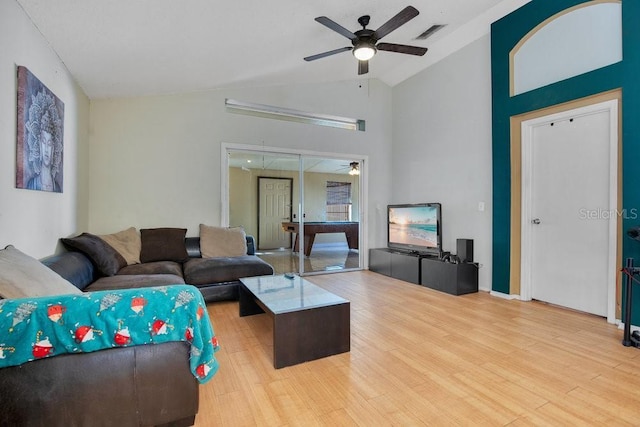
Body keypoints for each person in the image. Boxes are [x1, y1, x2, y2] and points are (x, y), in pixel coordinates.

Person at [25, 91, 63, 192]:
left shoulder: (57, 188)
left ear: (54, 148)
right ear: (39, 145)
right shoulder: (31, 185)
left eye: (49, 144)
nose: (46, 148)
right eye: (43, 142)